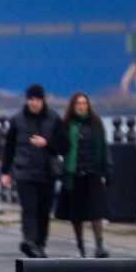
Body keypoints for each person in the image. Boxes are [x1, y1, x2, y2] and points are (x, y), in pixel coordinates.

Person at [0, 84, 67, 258]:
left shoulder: (53, 119)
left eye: (37, 100)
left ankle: (40, 243)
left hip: (47, 171)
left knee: (43, 210)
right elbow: (9, 147)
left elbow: (64, 145)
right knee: (29, 206)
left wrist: (47, 143)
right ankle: (29, 239)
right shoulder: (18, 119)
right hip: (24, 171)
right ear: (27, 100)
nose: (34, 103)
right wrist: (5, 172)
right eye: (31, 99)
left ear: (42, 100)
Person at [55, 92, 112, 258]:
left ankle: (99, 245)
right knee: (76, 214)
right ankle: (80, 245)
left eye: (84, 103)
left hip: (93, 173)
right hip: (74, 175)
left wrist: (106, 171)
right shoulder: (66, 125)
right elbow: (60, 148)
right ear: (73, 106)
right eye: (78, 104)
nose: (81, 107)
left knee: (96, 211)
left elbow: (103, 147)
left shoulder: (95, 124)